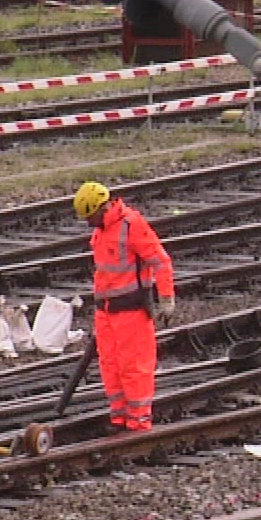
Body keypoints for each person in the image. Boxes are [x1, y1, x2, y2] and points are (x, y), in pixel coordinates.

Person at [74, 181, 175, 432]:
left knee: (135, 368)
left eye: (90, 216)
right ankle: (120, 418)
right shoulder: (101, 230)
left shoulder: (131, 226)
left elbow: (161, 261)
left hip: (132, 311)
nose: (88, 223)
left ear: (101, 208)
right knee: (111, 366)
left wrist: (166, 298)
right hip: (107, 311)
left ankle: (139, 421)